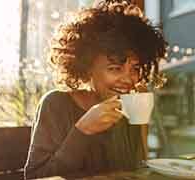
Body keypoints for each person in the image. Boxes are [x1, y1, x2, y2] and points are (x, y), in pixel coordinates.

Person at [24, 0, 167, 179]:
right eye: (115, 68)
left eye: (135, 69)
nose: (129, 79)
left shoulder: (128, 107)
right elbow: (36, 177)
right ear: (86, 66)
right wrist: (83, 130)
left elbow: (133, 171)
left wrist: (141, 127)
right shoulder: (55, 104)